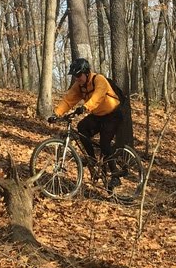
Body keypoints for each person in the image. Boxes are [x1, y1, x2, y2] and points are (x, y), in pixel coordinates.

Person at [49, 58, 123, 188]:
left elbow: (98, 96)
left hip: (113, 115)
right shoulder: (79, 86)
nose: (77, 79)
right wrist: (56, 114)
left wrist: (85, 107)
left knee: (104, 143)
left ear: (86, 72)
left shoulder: (99, 80)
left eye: (78, 75)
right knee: (82, 127)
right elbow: (68, 100)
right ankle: (92, 159)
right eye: (74, 76)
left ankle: (115, 174)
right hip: (97, 115)